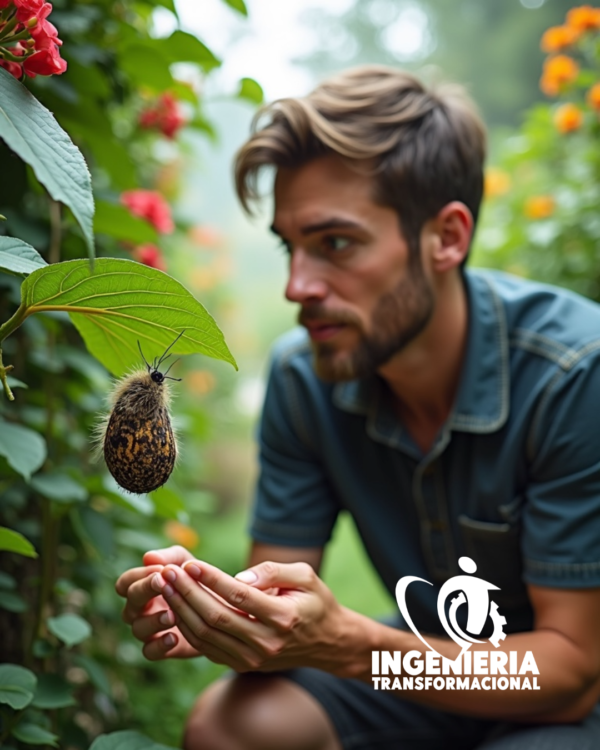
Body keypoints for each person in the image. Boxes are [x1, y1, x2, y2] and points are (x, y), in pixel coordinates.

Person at [116, 66, 600, 750]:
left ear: (447, 238)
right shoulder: (303, 376)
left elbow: (574, 673)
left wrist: (351, 646)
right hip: (434, 667)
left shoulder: (576, 374)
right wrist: (213, 608)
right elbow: (278, 609)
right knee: (232, 726)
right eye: (290, 246)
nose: (295, 286)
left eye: (335, 244)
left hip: (576, 700)